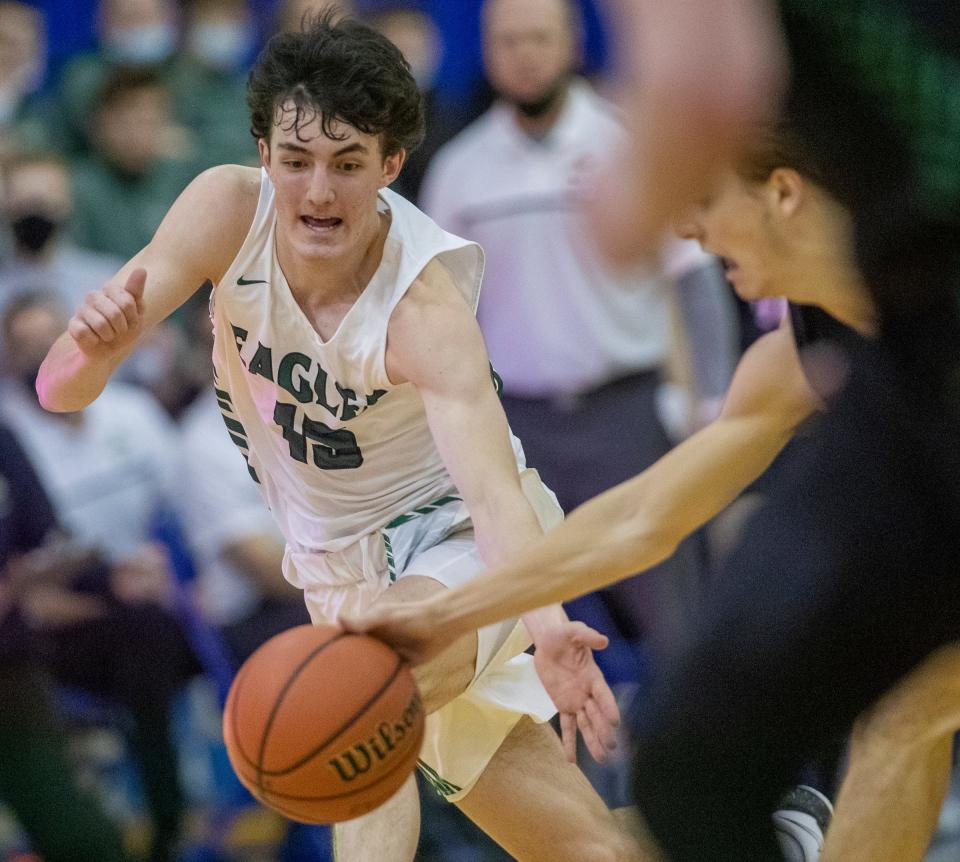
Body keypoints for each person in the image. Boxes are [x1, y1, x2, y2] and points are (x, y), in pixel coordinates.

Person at [345, 1, 960, 858]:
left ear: (784, 193)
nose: (686, 229)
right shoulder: (805, 343)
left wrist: (634, 196)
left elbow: (699, 91)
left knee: (910, 709)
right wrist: (453, 614)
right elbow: (647, 515)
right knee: (744, 750)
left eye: (706, 199)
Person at [36, 13, 640, 862]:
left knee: (363, 678)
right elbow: (57, 388)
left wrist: (545, 624)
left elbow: (495, 495)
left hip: (461, 548)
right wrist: (92, 350)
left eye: (348, 164)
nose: (318, 192)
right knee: (586, 851)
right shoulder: (221, 211)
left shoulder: (423, 311)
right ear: (262, 152)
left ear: (391, 164)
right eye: (297, 161)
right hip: (333, 566)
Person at [421, 0, 737, 652]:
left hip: (628, 419)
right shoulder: (459, 171)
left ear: (571, 43)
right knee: (526, 637)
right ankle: (575, 757)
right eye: (507, 41)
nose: (524, 54)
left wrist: (712, 402)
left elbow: (695, 280)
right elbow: (437, 311)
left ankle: (674, 754)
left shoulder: (628, 142)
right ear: (486, 50)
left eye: (538, 38)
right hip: (515, 432)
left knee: (675, 627)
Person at [2, 292, 202, 862]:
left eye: (50, 337)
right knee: (137, 631)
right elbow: (33, 586)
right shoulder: (17, 433)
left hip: (122, 604)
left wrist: (170, 573)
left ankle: (169, 821)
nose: (41, 353)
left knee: (148, 628)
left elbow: (185, 513)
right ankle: (165, 819)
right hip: (48, 631)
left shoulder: (130, 413)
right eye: (24, 346)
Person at [0, 421, 131, 862]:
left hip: (10, 667)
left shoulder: (3, 438)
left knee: (84, 838)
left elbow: (38, 544)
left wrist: (103, 576)